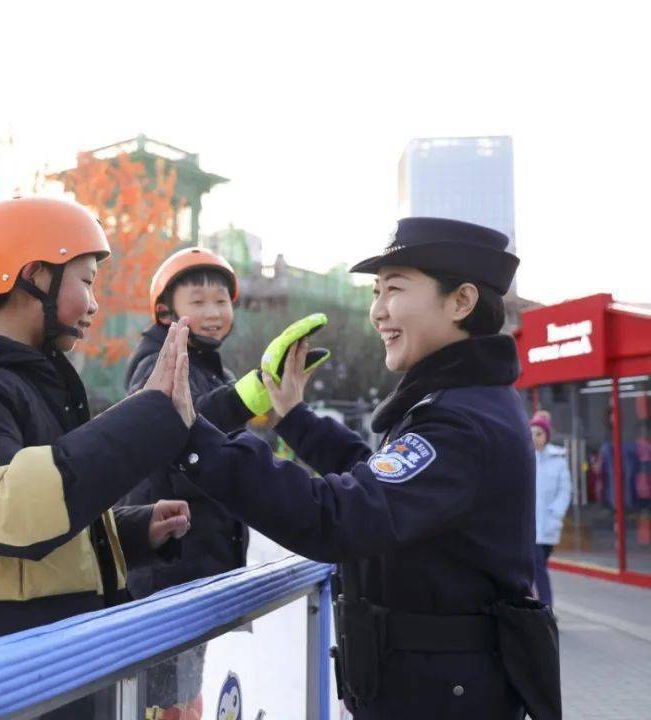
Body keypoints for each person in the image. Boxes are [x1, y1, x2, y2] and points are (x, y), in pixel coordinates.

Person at [168, 218, 560, 720]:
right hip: (435, 690)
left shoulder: (460, 423)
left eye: (394, 289)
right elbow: (380, 482)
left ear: (461, 302)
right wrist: (295, 419)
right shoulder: (462, 403)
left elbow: (342, 516)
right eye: (376, 292)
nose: (377, 311)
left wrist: (200, 441)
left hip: (440, 700)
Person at [0, 197, 195, 717]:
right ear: (35, 275)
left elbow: (42, 509)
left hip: (33, 674)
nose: (94, 304)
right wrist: (145, 421)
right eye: (87, 281)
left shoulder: (28, 386)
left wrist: (129, 532)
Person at [121, 247, 327, 720]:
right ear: (166, 310)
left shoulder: (213, 365)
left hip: (207, 563)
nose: (214, 313)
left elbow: (228, 451)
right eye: (199, 302)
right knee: (168, 699)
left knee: (203, 692)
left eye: (222, 301)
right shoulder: (159, 360)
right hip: (171, 569)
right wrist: (242, 397)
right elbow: (172, 433)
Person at [530, 411, 571, 608]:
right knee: (537, 567)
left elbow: (564, 492)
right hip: (529, 525)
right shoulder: (524, 457)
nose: (535, 437)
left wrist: (555, 515)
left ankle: (538, 605)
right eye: (532, 433)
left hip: (548, 523)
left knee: (539, 566)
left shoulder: (558, 460)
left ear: (546, 435)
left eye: (539, 433)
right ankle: (546, 606)